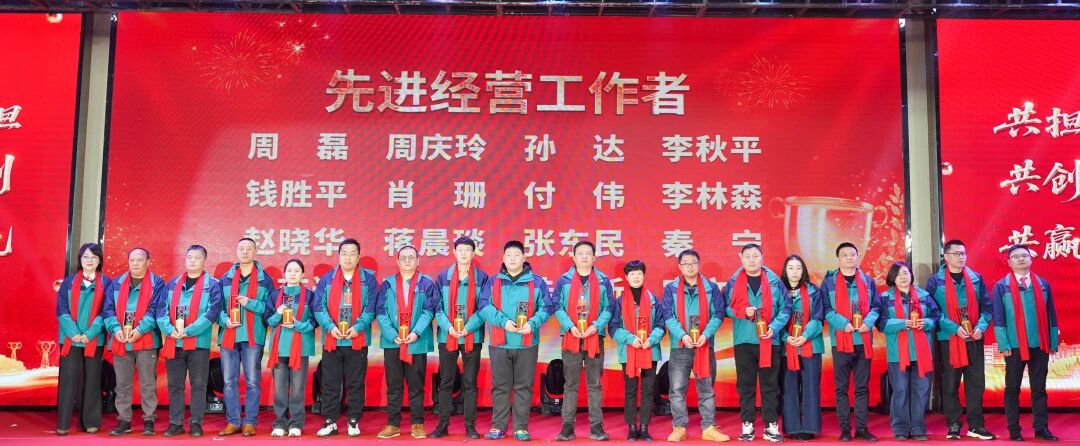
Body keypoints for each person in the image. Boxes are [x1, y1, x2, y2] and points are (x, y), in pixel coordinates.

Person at [477, 240, 553, 441]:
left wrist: (532, 324)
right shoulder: (493, 281)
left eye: (516, 255)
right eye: (508, 255)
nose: (512, 259)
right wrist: (503, 322)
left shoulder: (537, 282)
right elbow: (483, 306)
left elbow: (547, 307)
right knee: (500, 387)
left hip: (527, 343)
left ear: (524, 258)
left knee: (523, 387)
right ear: (503, 258)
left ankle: (521, 428)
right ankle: (498, 426)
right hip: (500, 343)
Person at [924, 240, 995, 440]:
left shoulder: (976, 278)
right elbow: (932, 311)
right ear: (946, 257)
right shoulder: (935, 281)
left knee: (976, 383)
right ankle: (953, 424)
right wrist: (954, 328)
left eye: (963, 253)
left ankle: (976, 425)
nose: (961, 257)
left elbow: (987, 308)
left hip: (973, 337)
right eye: (956, 254)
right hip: (948, 338)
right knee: (950, 384)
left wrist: (980, 327)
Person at [992, 244, 1060, 442]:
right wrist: (1003, 344)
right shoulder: (1001, 286)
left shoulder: (1043, 284)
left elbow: (1051, 314)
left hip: (1040, 343)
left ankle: (1041, 428)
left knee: (1039, 388)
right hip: (1014, 345)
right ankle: (1014, 430)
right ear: (1009, 262)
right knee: (1012, 389)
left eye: (1024, 255)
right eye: (1016, 256)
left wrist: (1053, 341)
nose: (1021, 259)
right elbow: (998, 317)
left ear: (1031, 259)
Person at [723, 243, 790, 442]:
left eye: (755, 256)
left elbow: (786, 308)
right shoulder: (733, 282)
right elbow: (723, 308)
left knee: (770, 385)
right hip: (744, 340)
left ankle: (771, 425)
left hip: (769, 340)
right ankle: (748, 424)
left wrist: (774, 327)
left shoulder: (775, 282)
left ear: (762, 257)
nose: (751, 260)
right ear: (741, 258)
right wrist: (742, 312)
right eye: (747, 256)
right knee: (746, 385)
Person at [661, 249, 729, 442]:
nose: (690, 266)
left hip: (704, 346)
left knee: (706, 389)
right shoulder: (671, 289)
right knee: (676, 390)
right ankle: (679, 427)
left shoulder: (711, 288)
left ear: (699, 264)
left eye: (693, 262)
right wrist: (683, 335)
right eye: (686, 263)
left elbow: (718, 314)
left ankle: (708, 427)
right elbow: (668, 315)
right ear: (679, 266)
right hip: (680, 346)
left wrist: (705, 335)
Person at [312, 238, 378, 437]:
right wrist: (330, 327)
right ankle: (330, 421)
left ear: (358, 257)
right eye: (344, 253)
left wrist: (358, 327)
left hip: (357, 339)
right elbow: (319, 307)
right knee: (330, 382)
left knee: (355, 382)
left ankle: (353, 420)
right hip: (332, 339)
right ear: (338, 256)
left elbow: (371, 308)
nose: (348, 257)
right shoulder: (327, 279)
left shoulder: (368, 280)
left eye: (352, 254)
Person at [156, 245, 223, 438]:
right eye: (189, 257)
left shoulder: (213, 285)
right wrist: (170, 330)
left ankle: (196, 423)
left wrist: (188, 331)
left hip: (198, 343)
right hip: (174, 342)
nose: (192, 261)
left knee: (199, 385)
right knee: (175, 385)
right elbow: (160, 311)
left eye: (197, 258)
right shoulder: (172, 284)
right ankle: (175, 423)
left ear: (204, 260)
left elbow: (212, 313)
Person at [375, 245, 440, 439]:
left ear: (418, 261)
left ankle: (417, 423)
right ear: (397, 261)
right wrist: (391, 333)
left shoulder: (426, 283)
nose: (407, 260)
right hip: (393, 342)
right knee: (393, 385)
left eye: (411, 257)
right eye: (403, 257)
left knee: (416, 385)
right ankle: (392, 424)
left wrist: (416, 333)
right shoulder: (387, 284)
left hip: (416, 343)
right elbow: (381, 311)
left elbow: (429, 310)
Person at [553, 241, 614, 442]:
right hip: (571, 337)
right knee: (570, 384)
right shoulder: (564, 280)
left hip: (594, 337)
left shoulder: (603, 281)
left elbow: (609, 308)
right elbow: (557, 306)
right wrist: (570, 326)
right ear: (574, 257)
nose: (585, 257)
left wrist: (595, 326)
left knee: (594, 384)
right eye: (580, 253)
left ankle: (596, 427)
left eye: (588, 253)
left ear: (594, 258)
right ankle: (567, 427)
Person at [821, 242, 880, 442]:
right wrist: (843, 324)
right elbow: (826, 309)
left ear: (858, 257)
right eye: (844, 255)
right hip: (841, 341)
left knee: (862, 387)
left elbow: (876, 307)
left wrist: (868, 323)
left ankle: (862, 428)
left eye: (852, 254)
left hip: (863, 340)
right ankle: (845, 429)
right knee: (842, 388)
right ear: (838, 258)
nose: (849, 258)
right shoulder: (828, 283)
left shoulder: (868, 281)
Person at [103, 248, 165, 436]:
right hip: (121, 339)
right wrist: (116, 329)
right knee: (122, 383)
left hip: (146, 339)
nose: (135, 263)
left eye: (140, 260)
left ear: (148, 262)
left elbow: (156, 310)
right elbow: (107, 309)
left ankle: (149, 420)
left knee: (148, 383)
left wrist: (139, 330)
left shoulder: (157, 283)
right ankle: (124, 420)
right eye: (132, 260)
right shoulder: (116, 283)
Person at [431, 237, 489, 439]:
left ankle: (470, 425)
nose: (464, 253)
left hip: (472, 336)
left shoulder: (482, 278)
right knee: (446, 381)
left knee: (470, 382)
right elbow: (436, 307)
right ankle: (443, 424)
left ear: (473, 253)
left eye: (468, 250)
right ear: (454, 253)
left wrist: (468, 327)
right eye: (460, 250)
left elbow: (484, 307)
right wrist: (449, 327)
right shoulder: (443, 277)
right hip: (447, 336)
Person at [217, 238, 275, 437]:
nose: (245, 252)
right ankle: (233, 421)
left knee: (252, 381)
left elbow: (270, 309)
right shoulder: (225, 278)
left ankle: (250, 421)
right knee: (228, 381)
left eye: (249, 249)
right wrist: (224, 320)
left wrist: (250, 303)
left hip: (252, 336)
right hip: (228, 335)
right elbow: (216, 308)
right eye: (241, 248)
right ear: (236, 251)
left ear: (255, 251)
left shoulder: (265, 280)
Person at [56, 242, 113, 435]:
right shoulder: (69, 282)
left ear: (99, 260)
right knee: (68, 379)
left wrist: (89, 334)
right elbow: (61, 309)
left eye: (94, 257)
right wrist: (73, 333)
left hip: (93, 339)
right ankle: (63, 423)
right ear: (80, 260)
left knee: (92, 380)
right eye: (86, 257)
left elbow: (106, 311)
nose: (90, 260)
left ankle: (90, 421)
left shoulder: (107, 283)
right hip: (70, 338)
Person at [878, 261, 939, 441]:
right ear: (892, 278)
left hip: (922, 352)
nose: (903, 277)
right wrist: (902, 323)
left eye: (905, 273)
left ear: (911, 275)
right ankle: (900, 428)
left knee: (921, 390)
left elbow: (936, 317)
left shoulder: (924, 296)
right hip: (897, 353)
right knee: (900, 390)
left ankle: (918, 427)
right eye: (898, 275)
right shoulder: (884, 298)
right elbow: (880, 324)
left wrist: (925, 323)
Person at [608, 260, 665, 441]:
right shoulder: (619, 301)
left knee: (648, 390)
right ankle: (632, 427)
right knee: (630, 390)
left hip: (650, 349)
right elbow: (613, 328)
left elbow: (661, 325)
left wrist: (651, 340)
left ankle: (645, 427)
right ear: (626, 277)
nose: (636, 277)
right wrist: (631, 339)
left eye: (639, 273)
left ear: (644, 275)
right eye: (632, 274)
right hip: (629, 350)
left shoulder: (653, 300)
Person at [267, 259, 317, 437]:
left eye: (297, 271)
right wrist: (278, 313)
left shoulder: (310, 296)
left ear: (303, 274)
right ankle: (280, 423)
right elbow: (268, 321)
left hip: (300, 347)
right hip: (279, 347)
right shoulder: (274, 295)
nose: (293, 274)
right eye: (289, 270)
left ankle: (296, 423)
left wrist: (297, 324)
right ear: (284, 274)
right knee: (279, 388)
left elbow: (314, 321)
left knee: (297, 388)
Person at [778, 255, 824, 440]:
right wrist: (786, 337)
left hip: (810, 345)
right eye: (791, 268)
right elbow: (775, 319)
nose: (795, 271)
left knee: (811, 387)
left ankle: (810, 427)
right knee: (789, 388)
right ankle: (792, 428)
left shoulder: (814, 291)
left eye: (798, 268)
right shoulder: (778, 291)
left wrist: (804, 335)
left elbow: (818, 318)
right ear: (785, 271)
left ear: (803, 270)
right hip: (786, 346)